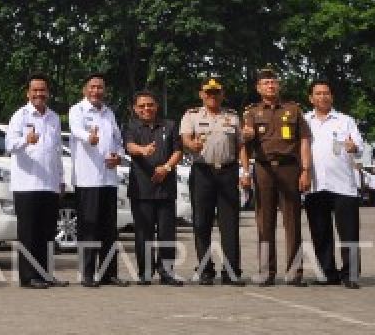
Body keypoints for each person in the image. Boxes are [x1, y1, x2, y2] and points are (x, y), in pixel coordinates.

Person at [240, 66, 312, 286]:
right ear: (258, 88)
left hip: (290, 168)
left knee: (293, 222)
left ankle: (295, 272)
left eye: (273, 82)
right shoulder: (251, 112)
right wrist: (245, 171)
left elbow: (304, 140)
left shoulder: (293, 110)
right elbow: (243, 144)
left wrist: (306, 170)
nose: (270, 85)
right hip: (263, 170)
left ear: (278, 85)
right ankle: (266, 272)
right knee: (264, 222)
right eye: (266, 83)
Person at [180, 78, 245, 285]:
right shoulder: (191, 115)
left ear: (222, 94)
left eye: (216, 92)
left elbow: (241, 146)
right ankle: (206, 269)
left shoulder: (232, 117)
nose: (212, 96)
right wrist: (193, 145)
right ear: (201, 95)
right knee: (201, 222)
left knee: (230, 223)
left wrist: (245, 172)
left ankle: (232, 271)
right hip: (202, 172)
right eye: (208, 92)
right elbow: (186, 139)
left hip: (227, 171)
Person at [5, 74, 67, 289]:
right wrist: (26, 140)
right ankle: (29, 277)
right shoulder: (20, 116)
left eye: (43, 90)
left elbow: (56, 151)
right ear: (28, 93)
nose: (39, 94)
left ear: (48, 93)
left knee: (47, 233)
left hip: (49, 185)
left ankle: (46, 274)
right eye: (35, 91)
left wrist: (60, 179)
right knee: (29, 234)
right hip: (27, 185)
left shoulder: (54, 118)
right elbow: (9, 145)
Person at [303, 80, 365, 289]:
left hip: (343, 186)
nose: (323, 97)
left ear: (332, 97)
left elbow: (359, 147)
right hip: (315, 185)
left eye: (326, 93)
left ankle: (351, 274)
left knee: (349, 233)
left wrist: (353, 146)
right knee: (320, 232)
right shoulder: (304, 121)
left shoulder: (345, 120)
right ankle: (328, 273)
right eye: (318, 93)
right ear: (311, 98)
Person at [67, 74, 128, 287]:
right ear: (85, 89)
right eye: (92, 87)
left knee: (109, 229)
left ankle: (109, 273)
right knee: (89, 227)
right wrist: (88, 137)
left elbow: (118, 141)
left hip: (108, 179)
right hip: (87, 179)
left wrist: (118, 156)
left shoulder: (109, 113)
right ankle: (87, 273)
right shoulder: (77, 110)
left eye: (100, 87)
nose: (96, 91)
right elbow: (76, 130)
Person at [125, 90, 183, 286]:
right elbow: (130, 146)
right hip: (141, 188)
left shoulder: (170, 125)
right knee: (143, 232)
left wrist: (166, 168)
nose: (146, 109)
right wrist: (143, 150)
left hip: (166, 187)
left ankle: (166, 272)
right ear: (135, 109)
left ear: (156, 106)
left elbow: (178, 151)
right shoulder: (132, 126)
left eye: (150, 105)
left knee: (167, 232)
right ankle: (145, 272)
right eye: (141, 106)